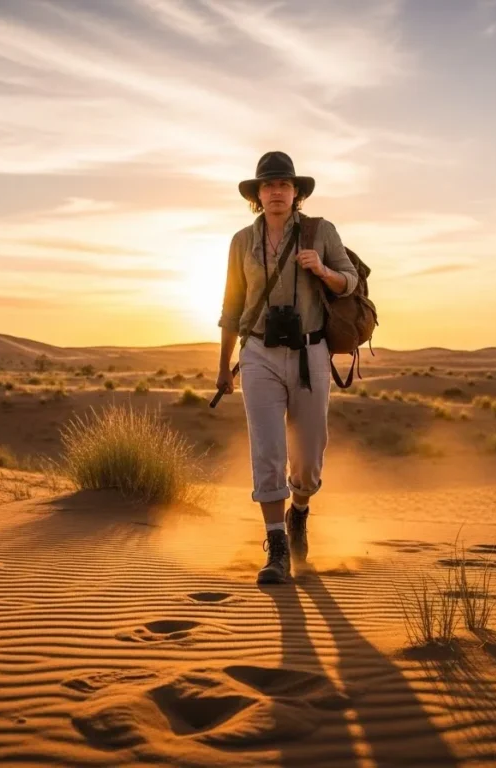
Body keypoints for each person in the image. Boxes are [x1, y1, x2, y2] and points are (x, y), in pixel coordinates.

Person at [217, 151, 359, 584]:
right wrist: (224, 366)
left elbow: (349, 280)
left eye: (283, 185)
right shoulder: (242, 240)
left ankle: (299, 511)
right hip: (258, 352)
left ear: (296, 193)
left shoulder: (321, 232)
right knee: (268, 449)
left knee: (309, 454)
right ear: (257, 196)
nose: (276, 192)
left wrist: (323, 270)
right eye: (268, 185)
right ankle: (276, 544)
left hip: (309, 351)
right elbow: (232, 305)